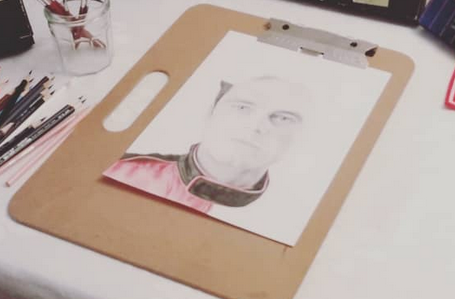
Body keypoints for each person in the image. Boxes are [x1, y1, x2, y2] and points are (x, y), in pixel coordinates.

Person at [104, 75, 308, 212]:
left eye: (283, 118)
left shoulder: (291, 214)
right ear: (211, 112)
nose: (256, 126)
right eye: (243, 108)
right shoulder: (121, 171)